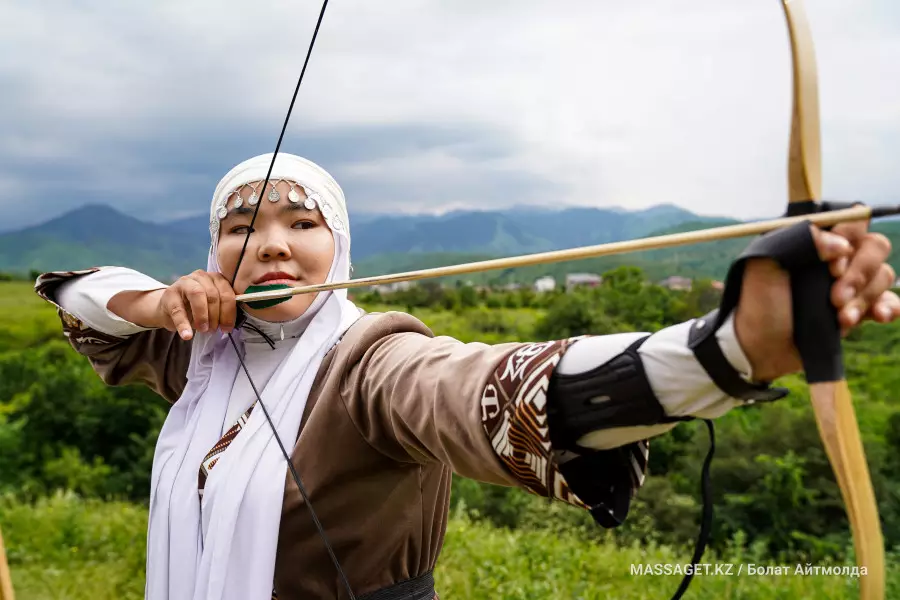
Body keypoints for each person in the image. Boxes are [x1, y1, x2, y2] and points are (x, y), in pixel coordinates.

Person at [34, 153, 899, 600]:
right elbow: (78, 296)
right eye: (241, 228)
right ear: (212, 251)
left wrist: (729, 350)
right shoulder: (193, 352)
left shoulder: (368, 361)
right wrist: (156, 305)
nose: (270, 244)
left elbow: (483, 389)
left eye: (302, 222)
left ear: (339, 248)